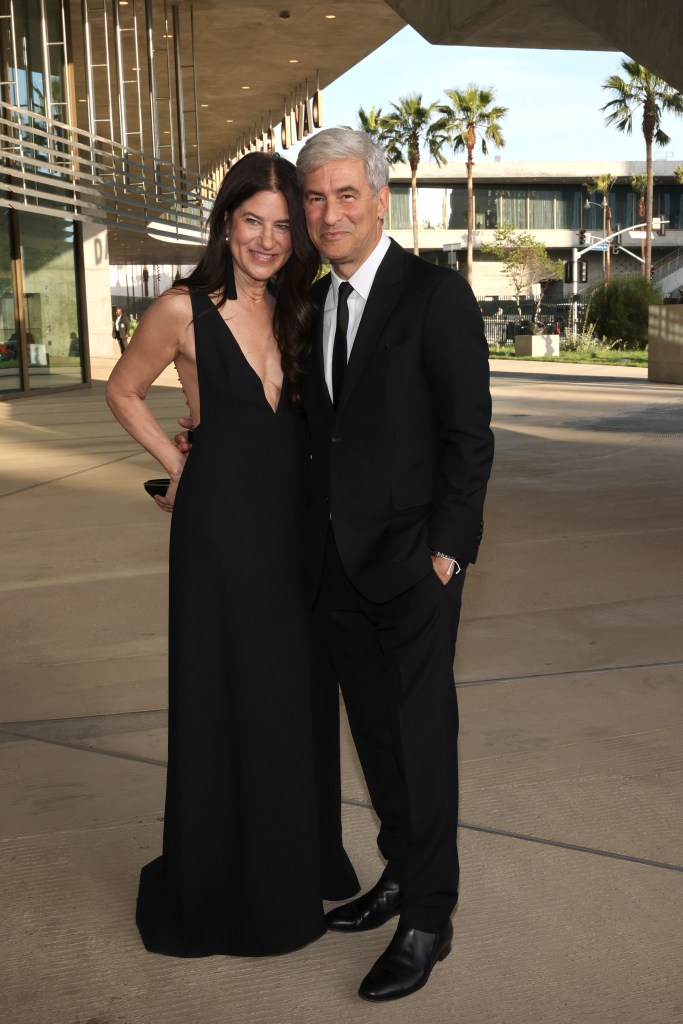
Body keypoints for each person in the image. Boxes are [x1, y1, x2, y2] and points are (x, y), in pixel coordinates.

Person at [105, 152, 358, 958]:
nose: (267, 239)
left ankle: (290, 861)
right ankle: (222, 880)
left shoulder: (299, 308)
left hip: (294, 533)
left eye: (282, 225)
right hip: (218, 532)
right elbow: (123, 389)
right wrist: (178, 465)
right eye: (253, 220)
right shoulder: (180, 309)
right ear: (225, 223)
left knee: (289, 697)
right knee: (224, 694)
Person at [296, 129, 494, 1001]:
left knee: (420, 739)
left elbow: (469, 437)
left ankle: (428, 916)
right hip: (335, 567)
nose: (329, 213)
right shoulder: (313, 302)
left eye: (345, 195)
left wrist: (446, 553)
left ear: (380, 200)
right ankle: (400, 868)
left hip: (415, 566)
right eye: (314, 198)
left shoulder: (434, 296)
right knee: (375, 738)